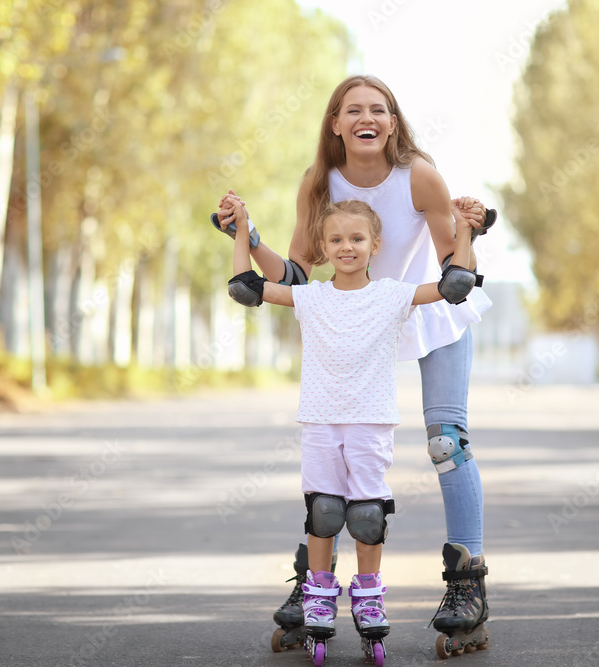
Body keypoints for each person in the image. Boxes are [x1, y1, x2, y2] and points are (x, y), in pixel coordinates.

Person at [214, 74, 494, 653]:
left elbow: (452, 266)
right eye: (353, 110)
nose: (367, 118)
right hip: (355, 316)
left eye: (379, 109)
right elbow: (294, 272)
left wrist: (474, 226)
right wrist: (248, 233)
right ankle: (314, 582)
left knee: (446, 441)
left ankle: (468, 588)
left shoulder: (418, 174)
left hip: (424, 310)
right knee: (336, 441)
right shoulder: (319, 181)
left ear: (392, 123)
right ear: (336, 124)